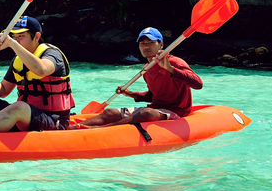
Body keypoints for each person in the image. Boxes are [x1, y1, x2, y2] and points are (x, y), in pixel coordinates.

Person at [71, 27, 203, 129]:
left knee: (146, 114)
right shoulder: (147, 68)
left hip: (177, 112)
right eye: (142, 43)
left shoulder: (174, 62)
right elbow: (154, 96)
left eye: (151, 43)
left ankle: (98, 129)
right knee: (109, 112)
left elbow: (198, 84)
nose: (146, 46)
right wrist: (130, 94)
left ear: (161, 44)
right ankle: (74, 127)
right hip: (156, 108)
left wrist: (170, 69)